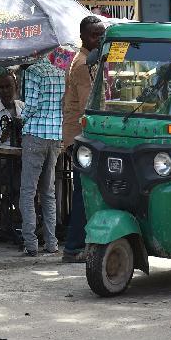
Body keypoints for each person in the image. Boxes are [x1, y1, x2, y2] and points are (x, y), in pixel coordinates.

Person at [62, 16, 105, 263]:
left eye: (101, 35)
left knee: (86, 191)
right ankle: (74, 246)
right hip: (80, 137)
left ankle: (81, 243)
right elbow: (91, 104)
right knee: (83, 193)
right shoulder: (82, 64)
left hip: (80, 135)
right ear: (83, 37)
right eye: (94, 35)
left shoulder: (92, 60)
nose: (98, 39)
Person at [19, 51, 66, 257]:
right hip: (55, 136)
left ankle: (30, 244)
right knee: (48, 191)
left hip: (35, 134)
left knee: (28, 191)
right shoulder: (59, 72)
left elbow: (31, 104)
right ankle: (52, 243)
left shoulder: (32, 72)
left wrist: (20, 119)